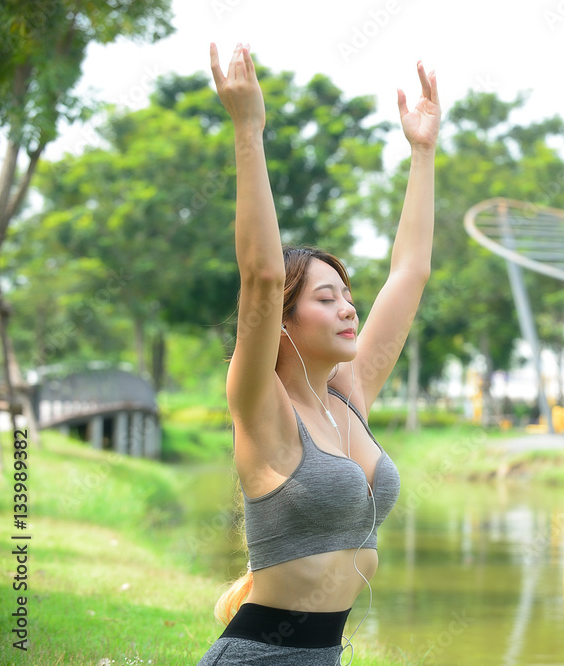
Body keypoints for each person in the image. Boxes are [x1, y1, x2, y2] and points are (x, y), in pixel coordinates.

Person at [197, 42, 439, 665]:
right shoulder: (261, 403)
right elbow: (260, 274)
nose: (349, 309)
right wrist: (248, 128)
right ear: (282, 321)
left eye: (348, 297)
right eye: (326, 298)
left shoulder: (346, 398)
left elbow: (410, 271)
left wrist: (422, 153)